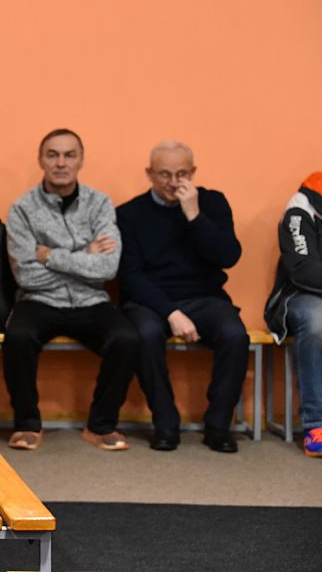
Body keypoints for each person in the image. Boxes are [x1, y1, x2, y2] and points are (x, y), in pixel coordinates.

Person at [4, 129, 138, 451]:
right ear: (41, 160)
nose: (61, 163)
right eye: (53, 155)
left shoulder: (100, 203)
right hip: (38, 301)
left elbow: (107, 268)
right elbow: (26, 276)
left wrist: (50, 256)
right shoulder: (22, 208)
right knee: (18, 337)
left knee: (127, 339)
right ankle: (27, 425)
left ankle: (101, 426)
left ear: (81, 160)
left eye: (69, 155)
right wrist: (85, 256)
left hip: (92, 300)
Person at [117, 141, 247, 453]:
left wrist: (195, 216)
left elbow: (229, 256)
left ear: (193, 172)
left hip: (205, 297)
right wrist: (171, 313)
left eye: (182, 174)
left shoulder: (212, 203)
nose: (174, 182)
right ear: (149, 173)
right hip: (150, 301)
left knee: (235, 335)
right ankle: (165, 424)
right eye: (164, 174)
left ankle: (218, 426)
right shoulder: (129, 213)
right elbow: (130, 276)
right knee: (145, 335)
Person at [264, 172, 322, 457]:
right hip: (300, 296)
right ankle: (316, 424)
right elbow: (303, 269)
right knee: (318, 322)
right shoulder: (302, 207)